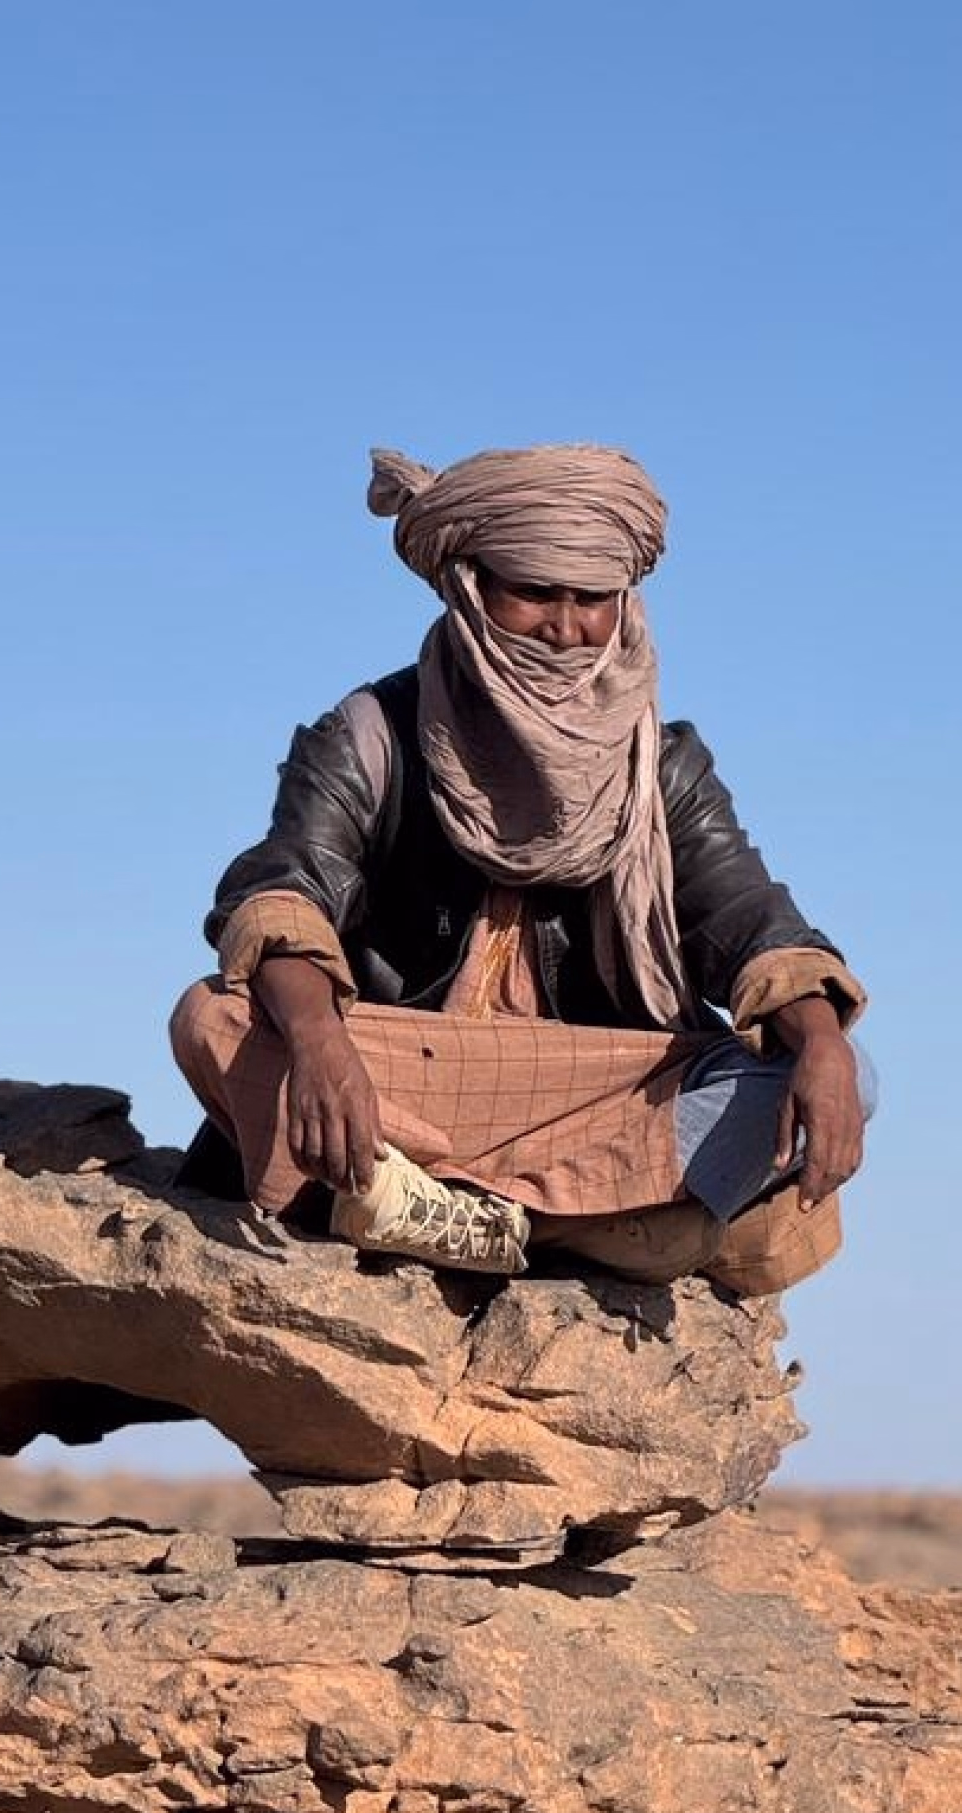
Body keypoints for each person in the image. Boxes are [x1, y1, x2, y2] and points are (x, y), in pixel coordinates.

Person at [170, 443, 871, 1294]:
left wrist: (823, 1043)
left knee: (840, 1073)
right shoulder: (373, 734)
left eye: (593, 600)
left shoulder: (660, 765)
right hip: (413, 1073)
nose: (566, 629)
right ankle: (602, 1226)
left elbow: (750, 920)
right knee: (215, 1016)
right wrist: (320, 1042)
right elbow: (285, 891)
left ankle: (465, 1216)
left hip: (593, 1085)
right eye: (536, 593)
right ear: (469, 587)